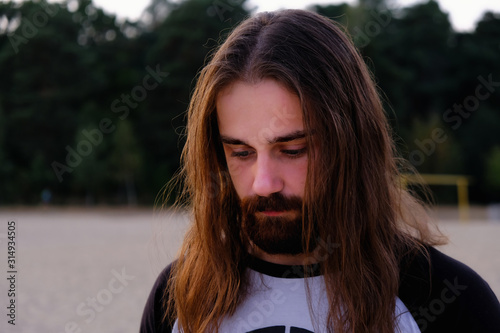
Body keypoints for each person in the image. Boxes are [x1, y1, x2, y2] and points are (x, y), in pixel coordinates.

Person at [140, 9, 500, 333]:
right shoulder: (181, 296)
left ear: (353, 144)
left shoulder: (451, 300)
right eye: (241, 152)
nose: (264, 183)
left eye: (293, 150)